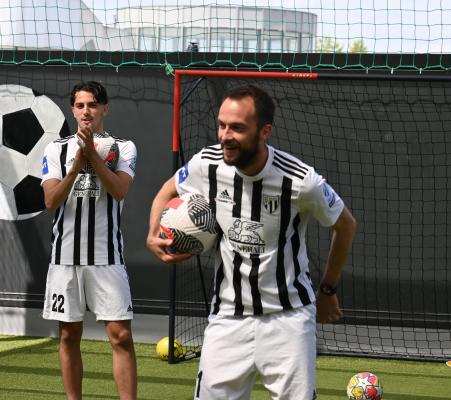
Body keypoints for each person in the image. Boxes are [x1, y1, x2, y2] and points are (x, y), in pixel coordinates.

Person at [146, 84, 356, 399]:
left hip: (289, 319)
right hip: (227, 317)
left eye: (237, 128)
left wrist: (328, 289)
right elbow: (168, 189)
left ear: (264, 131)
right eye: (222, 125)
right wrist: (153, 234)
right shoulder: (206, 164)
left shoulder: (301, 181)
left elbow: (346, 224)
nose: (225, 136)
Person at [41, 81, 138, 400]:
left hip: (107, 257)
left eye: (93, 105)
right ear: (73, 110)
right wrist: (75, 169)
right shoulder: (55, 149)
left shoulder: (123, 147)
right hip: (65, 259)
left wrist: (92, 157)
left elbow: (120, 191)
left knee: (121, 336)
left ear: (104, 109)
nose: (87, 111)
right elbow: (51, 201)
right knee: (69, 335)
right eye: (80, 105)